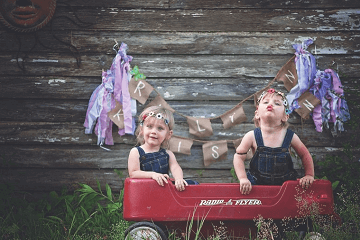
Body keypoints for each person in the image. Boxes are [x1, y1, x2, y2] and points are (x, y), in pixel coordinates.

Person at [233, 88, 314, 195]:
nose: (270, 104)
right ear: (257, 113)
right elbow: (238, 156)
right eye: (265, 102)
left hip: (285, 185)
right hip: (257, 185)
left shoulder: (290, 136)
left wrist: (309, 175)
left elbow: (304, 154)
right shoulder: (251, 136)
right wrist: (243, 178)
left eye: (277, 103)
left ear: (285, 116)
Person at [128, 106, 189, 191]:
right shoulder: (136, 152)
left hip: (163, 193)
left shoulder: (168, 154)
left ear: (168, 134)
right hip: (143, 193)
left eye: (160, 128)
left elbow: (175, 168)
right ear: (142, 130)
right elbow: (133, 173)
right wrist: (153, 175)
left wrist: (179, 178)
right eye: (149, 126)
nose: (153, 131)